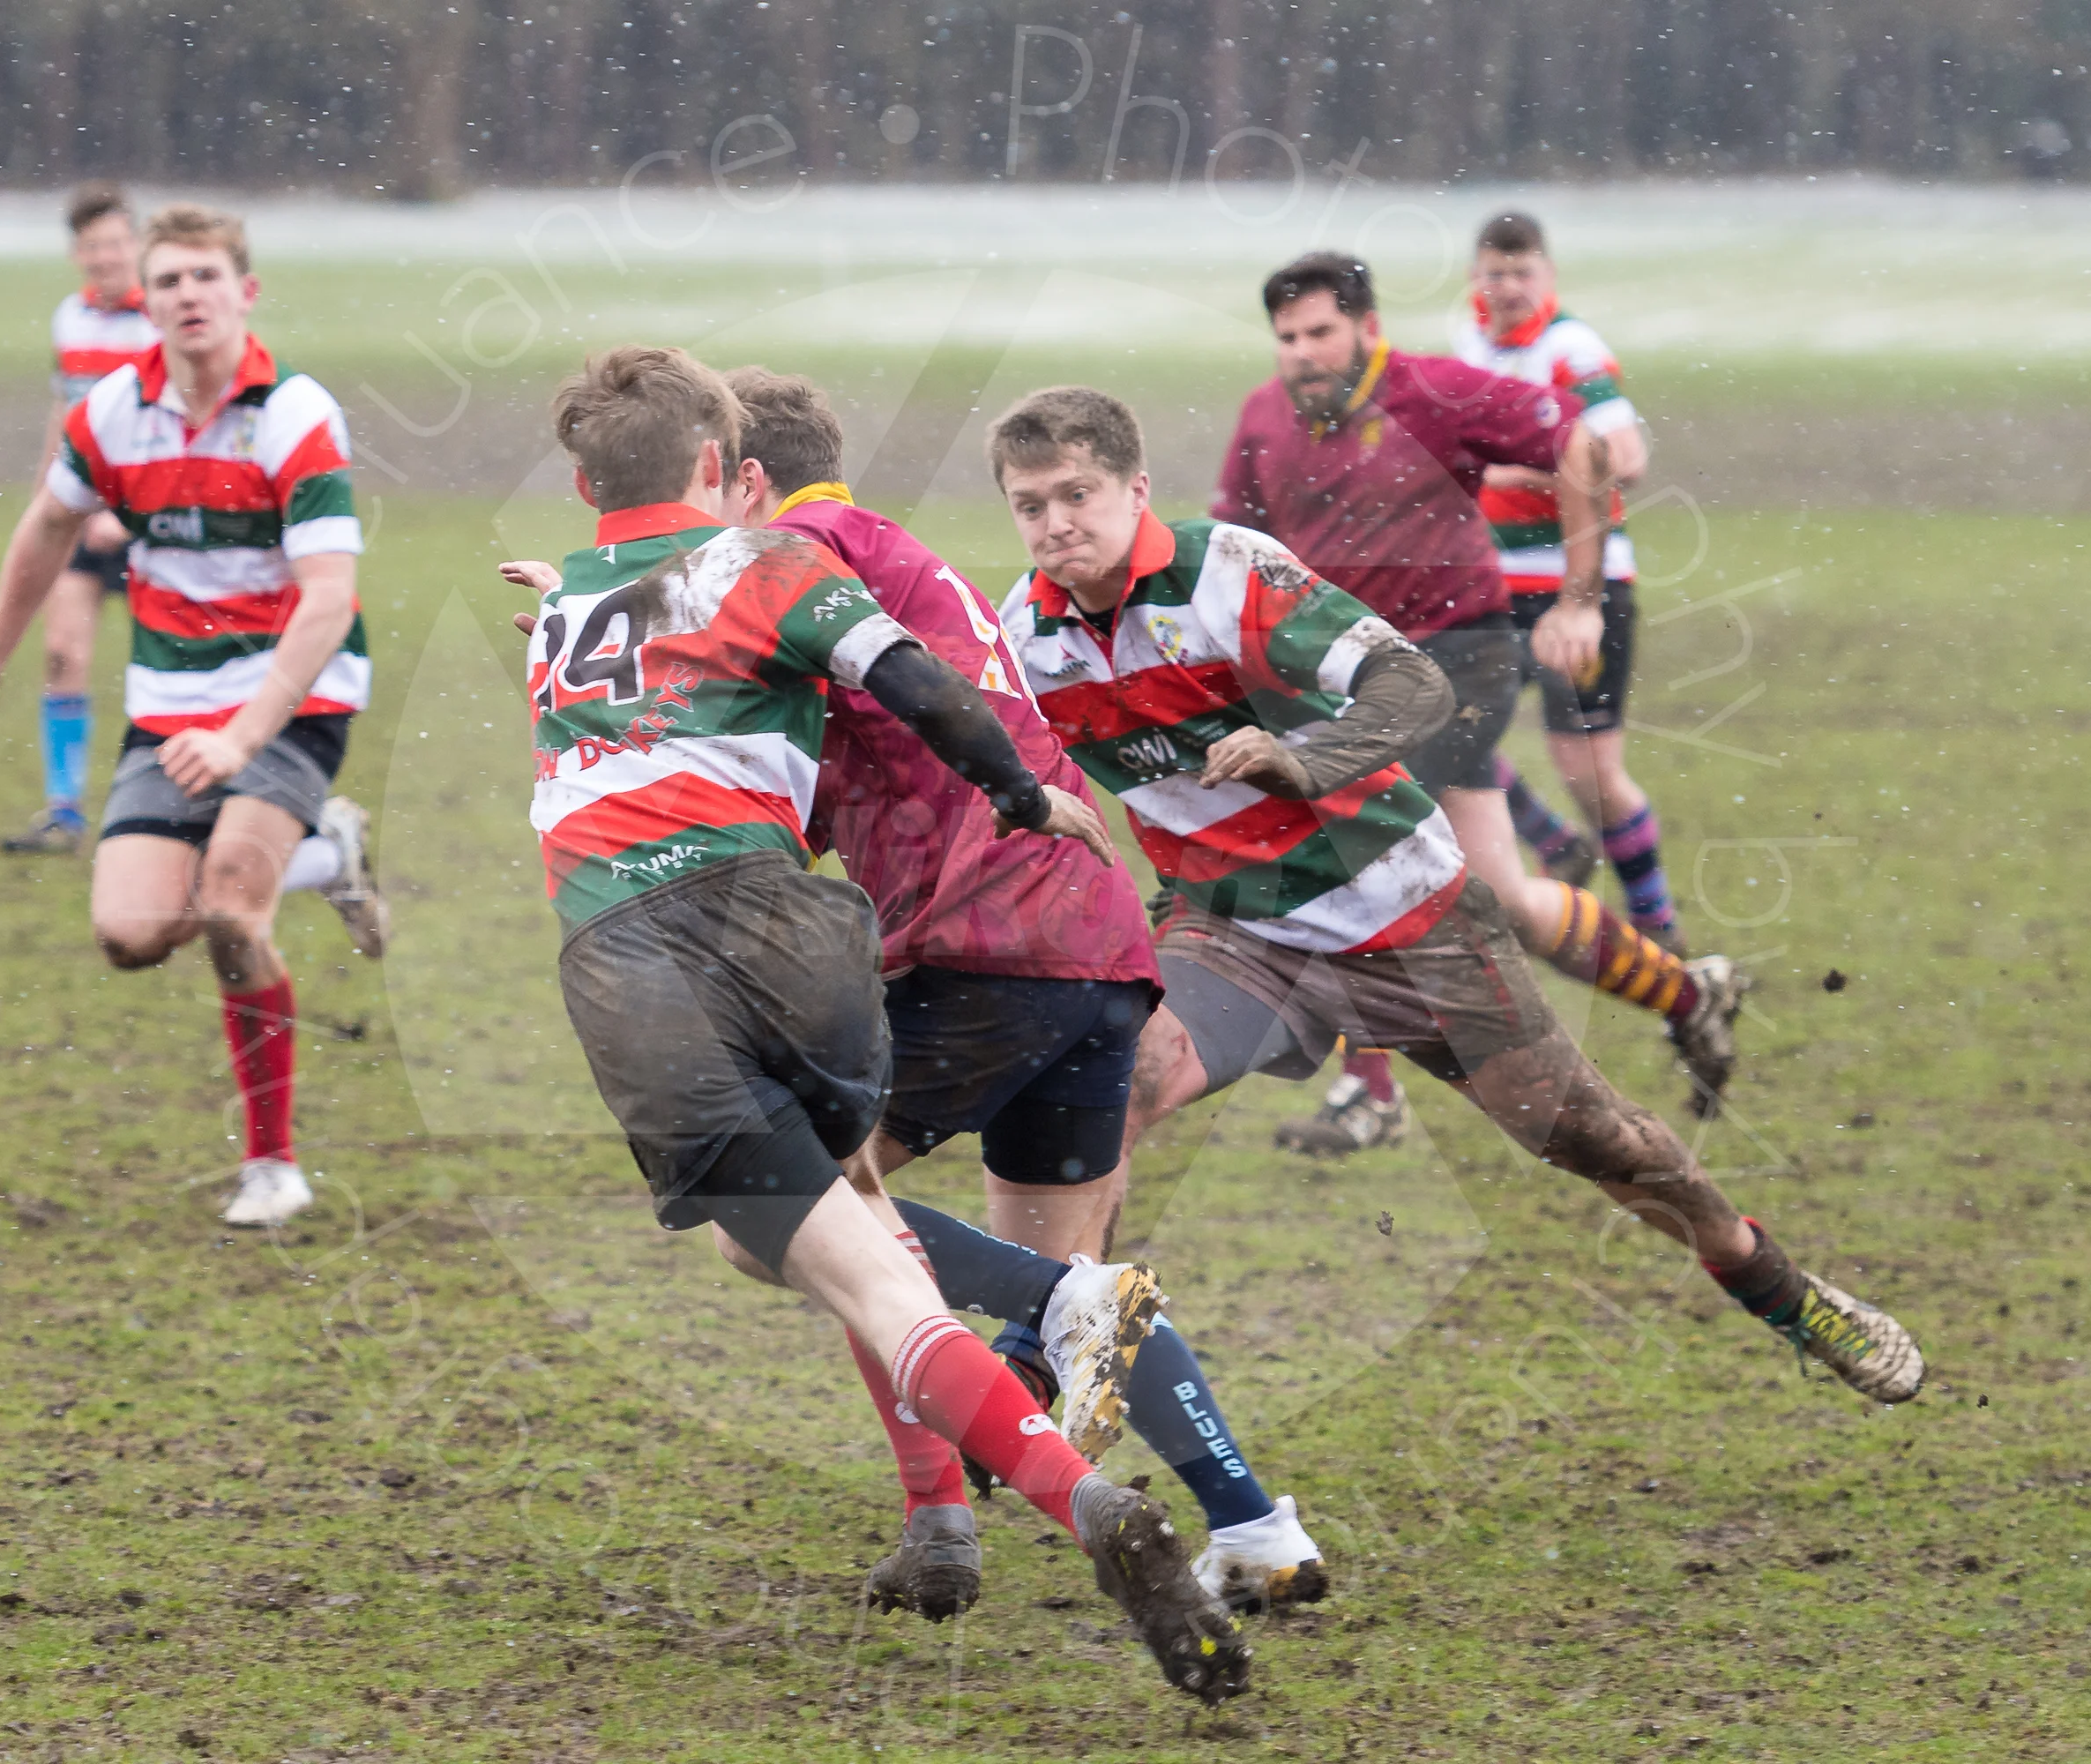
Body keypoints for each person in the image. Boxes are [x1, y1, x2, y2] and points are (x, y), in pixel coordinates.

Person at [507, 343, 1250, 1705]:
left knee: (838, 1259)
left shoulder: (586, 603)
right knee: (875, 1233)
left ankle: (1058, 1456)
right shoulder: (786, 568)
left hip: (643, 959)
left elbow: (635, 649)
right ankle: (973, 1517)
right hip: (819, 933)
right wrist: (1029, 796)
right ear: (711, 472)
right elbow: (913, 684)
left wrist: (567, 598)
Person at [989, 385, 1925, 1409]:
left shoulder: (1229, 575)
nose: (1055, 524)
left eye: (1076, 494)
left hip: (1408, 917)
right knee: (1112, 1075)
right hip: (1234, 933)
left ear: (1135, 487)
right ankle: (1058, 1352)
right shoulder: (1023, 638)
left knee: (1596, 1140)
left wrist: (1302, 758)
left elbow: (1412, 687)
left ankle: (1785, 1291)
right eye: (1030, 505)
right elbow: (990, 771)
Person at [724, 366, 1326, 1616]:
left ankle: (957, 1492)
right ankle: (1255, 1526)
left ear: (741, 479)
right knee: (1032, 1282)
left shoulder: (788, 554)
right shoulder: (887, 556)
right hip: (1092, 948)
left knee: (778, 1208)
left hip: (984, 944)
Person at [1214, 252, 1747, 1144]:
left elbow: (1581, 444)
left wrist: (1579, 598)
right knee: (1503, 893)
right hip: (1346, 676)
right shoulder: (1265, 417)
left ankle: (1369, 1090)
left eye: (1320, 332)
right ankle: (1688, 990)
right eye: (1287, 337)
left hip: (1457, 660)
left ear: (1366, 328)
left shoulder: (1436, 392)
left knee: (1348, 838)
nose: (1303, 352)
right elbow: (1236, 548)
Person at [0, 204, 389, 1228]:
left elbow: (325, 598)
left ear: (244, 293)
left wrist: (241, 733)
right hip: (167, 703)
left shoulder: (293, 414)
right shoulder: (111, 414)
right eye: (168, 281)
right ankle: (329, 856)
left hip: (293, 695)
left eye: (205, 278)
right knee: (131, 934)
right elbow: (45, 531)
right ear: (148, 299)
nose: (187, 296)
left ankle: (272, 1162)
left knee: (231, 906)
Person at [1453, 210, 1687, 955]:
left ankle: (1655, 922)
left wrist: (1515, 469)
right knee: (1441, 727)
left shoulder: (1571, 348)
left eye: (1523, 273)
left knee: (1587, 772)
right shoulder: (1469, 345)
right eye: (1496, 273)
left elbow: (1627, 456)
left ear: (1547, 278)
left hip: (1580, 589)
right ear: (1476, 280)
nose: (1510, 287)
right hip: (1491, 585)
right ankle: (1554, 842)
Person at [3, 183, 159, 854]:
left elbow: (174, 430)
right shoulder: (70, 319)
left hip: (154, 526)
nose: (107, 255)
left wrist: (128, 515)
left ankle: (183, 809)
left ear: (137, 246)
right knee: (62, 653)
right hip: (80, 522)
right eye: (94, 244)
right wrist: (48, 497)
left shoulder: (164, 319)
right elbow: (63, 416)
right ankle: (64, 815)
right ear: (78, 254)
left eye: (118, 242)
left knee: (173, 665)